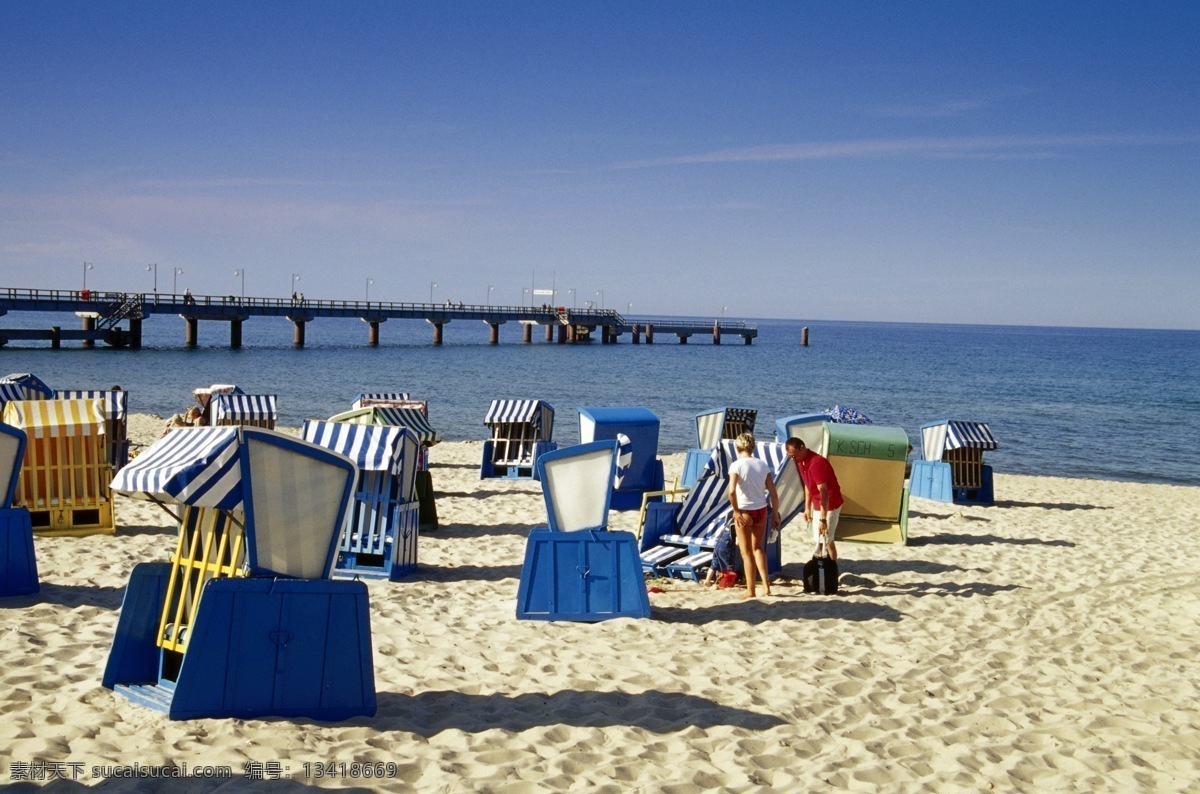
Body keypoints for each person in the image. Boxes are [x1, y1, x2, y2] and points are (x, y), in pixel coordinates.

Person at [727, 432, 780, 599]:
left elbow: (731, 492)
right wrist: (776, 513)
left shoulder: (736, 466)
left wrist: (736, 510)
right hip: (761, 510)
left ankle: (751, 590)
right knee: (758, 548)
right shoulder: (762, 465)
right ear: (752, 447)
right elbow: (773, 493)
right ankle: (765, 585)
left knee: (746, 552)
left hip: (744, 510)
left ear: (737, 448)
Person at [786, 437, 845, 561]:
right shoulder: (801, 462)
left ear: (802, 448)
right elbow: (808, 485)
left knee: (827, 538)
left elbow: (824, 492)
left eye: (794, 455)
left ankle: (832, 568)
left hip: (830, 503)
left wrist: (823, 519)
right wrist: (807, 508)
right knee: (819, 538)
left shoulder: (816, 463)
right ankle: (822, 564)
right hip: (818, 503)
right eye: (790, 456)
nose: (793, 459)